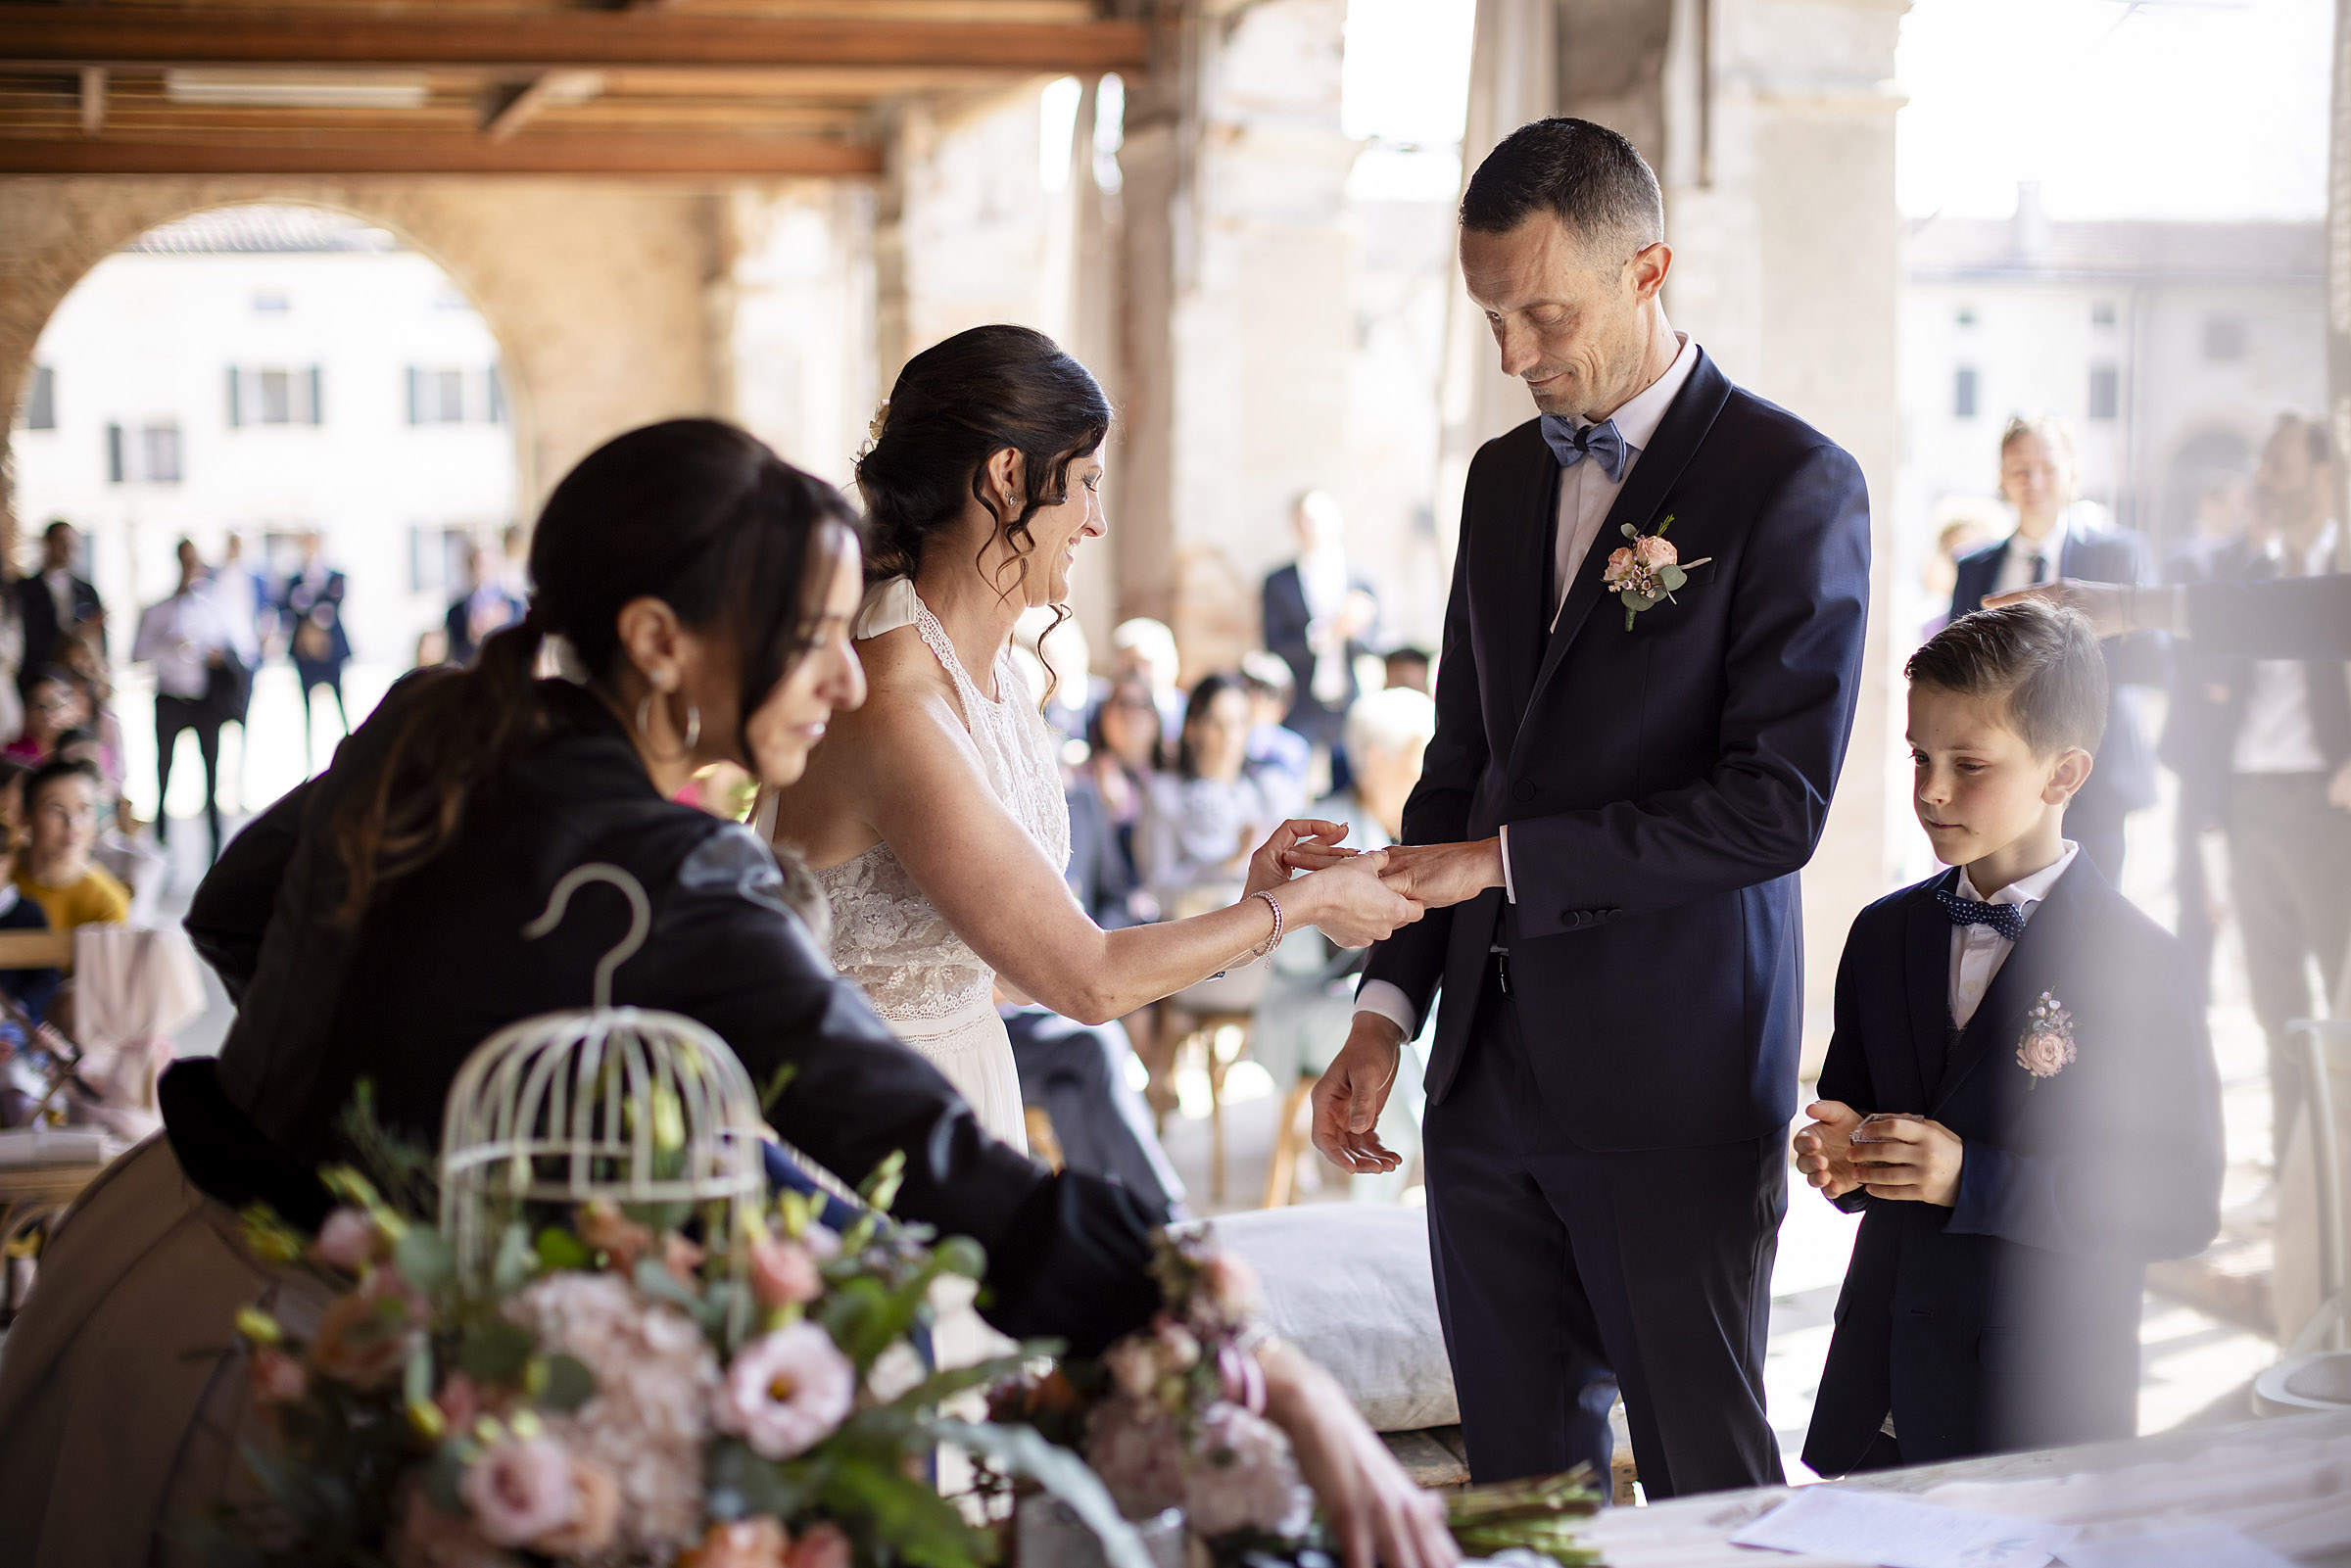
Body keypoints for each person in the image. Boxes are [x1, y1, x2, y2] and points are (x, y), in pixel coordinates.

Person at [0, 418, 1451, 1568]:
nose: (840, 678)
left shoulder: (436, 716)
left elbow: (237, 910)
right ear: (656, 641)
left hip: (152, 1265)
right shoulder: (673, 873)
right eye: (808, 635)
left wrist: (406, 1099)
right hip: (304, 1359)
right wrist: (1242, 1350)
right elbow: (936, 1159)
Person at [1309, 119, 1871, 1497]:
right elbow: (1459, 762)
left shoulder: (1792, 483)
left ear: (1648, 270)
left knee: (1706, 1482)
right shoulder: (1504, 482)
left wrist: (1498, 862)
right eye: (1492, 317)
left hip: (1670, 1081)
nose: (1515, 354)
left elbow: (1773, 809)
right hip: (1486, 1081)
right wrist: (1386, 1016)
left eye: (1542, 312)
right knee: (1519, 1492)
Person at [770, 325, 1420, 1153]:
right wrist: (1304, 904)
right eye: (1083, 482)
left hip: (960, 1096)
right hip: (872, 1126)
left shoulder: (995, 677)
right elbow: (1086, 978)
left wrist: (1244, 903)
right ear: (1008, 477)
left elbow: (1023, 963)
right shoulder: (895, 702)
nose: (1098, 521)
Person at [1794, 603, 2223, 1471]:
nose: (1931, 789)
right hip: (1881, 1387)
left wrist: (1969, 1178)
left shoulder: (2141, 960)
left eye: (1969, 763)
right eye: (1919, 755)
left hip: (2037, 1410)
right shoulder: (1883, 934)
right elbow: (1861, 1122)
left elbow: (2178, 1201)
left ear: (2064, 773)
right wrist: (1843, 1157)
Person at [2194, 415, 2349, 1170]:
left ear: (2325, 470)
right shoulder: (2248, 573)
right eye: (2262, 461)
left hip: (2328, 807)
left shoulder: (2342, 565)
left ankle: (2337, 1182)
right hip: (2249, 801)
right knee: (2273, 1003)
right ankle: (2295, 1173)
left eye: (2282, 462)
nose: (2266, 477)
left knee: (2340, 995)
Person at [1947, 416, 2162, 881]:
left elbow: (2151, 659)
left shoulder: (2119, 554)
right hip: (1999, 781)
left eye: (2047, 466)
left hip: (2093, 778)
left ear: (2073, 474)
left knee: (2092, 931)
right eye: (2020, 469)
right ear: (2002, 477)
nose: (2034, 481)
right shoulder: (1975, 569)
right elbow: (1957, 675)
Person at [1137, 671, 1283, 921]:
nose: (1229, 736)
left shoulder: (1263, 794)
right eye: (1217, 723)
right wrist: (1227, 863)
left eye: (1239, 723)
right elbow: (1159, 887)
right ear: (1193, 728)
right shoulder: (1164, 794)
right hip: (1189, 935)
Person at [132, 539, 242, 863]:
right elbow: (138, 654)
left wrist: (217, 657)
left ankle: (216, 850)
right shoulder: (157, 610)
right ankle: (162, 848)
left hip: (205, 702)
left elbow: (233, 648)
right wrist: (170, 643)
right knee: (163, 774)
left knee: (212, 777)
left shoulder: (213, 608)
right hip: (169, 699)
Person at [1264, 490, 1379, 790]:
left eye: (1319, 519)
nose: (1312, 527)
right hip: (1299, 704)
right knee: (1291, 789)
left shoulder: (1360, 576)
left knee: (1351, 787)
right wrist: (1326, 633)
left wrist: (1355, 628)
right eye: (1305, 519)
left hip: (1349, 702)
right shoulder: (1277, 582)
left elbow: (1374, 643)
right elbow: (1273, 648)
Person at [12, 756, 130, 946]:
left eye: (84, 810)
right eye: (55, 809)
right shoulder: (5, 874)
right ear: (26, 815)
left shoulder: (106, 902)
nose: (72, 824)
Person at [279, 529, 352, 767]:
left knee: (340, 702)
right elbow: (286, 608)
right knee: (306, 709)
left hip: (330, 649)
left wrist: (319, 628)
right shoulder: (294, 579)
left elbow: (336, 602)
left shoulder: (335, 576)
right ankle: (310, 764)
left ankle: (349, 755)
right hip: (303, 651)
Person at [15, 520, 103, 702]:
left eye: (72, 544)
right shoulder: (24, 591)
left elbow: (99, 638)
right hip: (37, 680)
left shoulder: (86, 591)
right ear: (47, 544)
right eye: (61, 542)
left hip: (79, 685)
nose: (67, 549)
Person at [1240, 649, 1312, 815]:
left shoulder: (1291, 747)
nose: (1253, 697)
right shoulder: (1227, 734)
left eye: (1265, 692)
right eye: (1248, 687)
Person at [445, 541, 527, 667]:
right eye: (477, 564)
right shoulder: (456, 612)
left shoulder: (515, 607)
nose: (482, 570)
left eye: (487, 565)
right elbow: (453, 655)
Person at [1, 667, 82, 766]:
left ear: (74, 707)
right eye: (39, 706)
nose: (47, 714)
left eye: (55, 704)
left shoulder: (85, 749)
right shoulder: (13, 755)